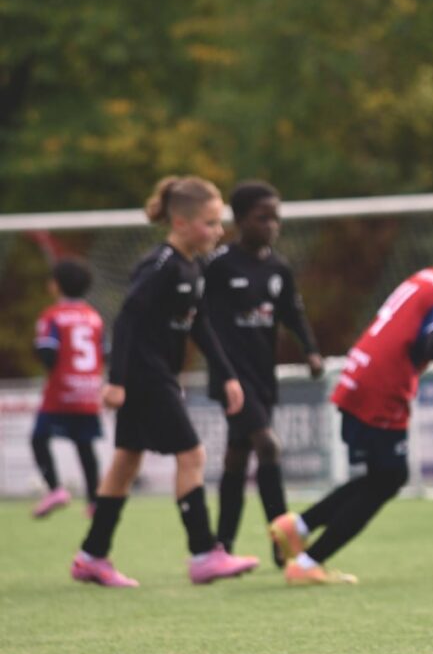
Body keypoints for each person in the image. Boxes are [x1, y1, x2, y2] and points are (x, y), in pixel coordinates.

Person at [269, 215, 433, 585]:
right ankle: (308, 562)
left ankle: (299, 526)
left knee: (383, 476)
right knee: (389, 478)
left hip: (360, 376)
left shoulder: (432, 278)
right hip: (380, 389)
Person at [70, 175, 260, 588]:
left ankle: (91, 555)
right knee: (191, 454)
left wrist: (227, 374)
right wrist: (116, 380)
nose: (218, 231)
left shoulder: (193, 267)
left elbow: (200, 325)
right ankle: (204, 553)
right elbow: (127, 320)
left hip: (156, 374)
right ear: (180, 221)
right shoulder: (160, 266)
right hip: (145, 375)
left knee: (124, 464)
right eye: (209, 223)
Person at [204, 180, 323, 566]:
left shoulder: (278, 267)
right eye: (262, 218)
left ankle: (221, 545)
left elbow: (292, 312)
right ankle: (283, 543)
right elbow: (199, 319)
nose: (272, 225)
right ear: (239, 221)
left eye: (276, 218)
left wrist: (311, 349)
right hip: (231, 377)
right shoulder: (219, 266)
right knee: (268, 445)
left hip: (261, 375)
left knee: (237, 456)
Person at [29, 258, 104, 519]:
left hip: (61, 392)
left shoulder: (52, 316)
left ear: (56, 286)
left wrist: (36, 350)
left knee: (39, 438)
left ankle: (55, 489)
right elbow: (104, 352)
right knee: (85, 446)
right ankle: (95, 500)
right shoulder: (94, 317)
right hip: (89, 392)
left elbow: (48, 353)